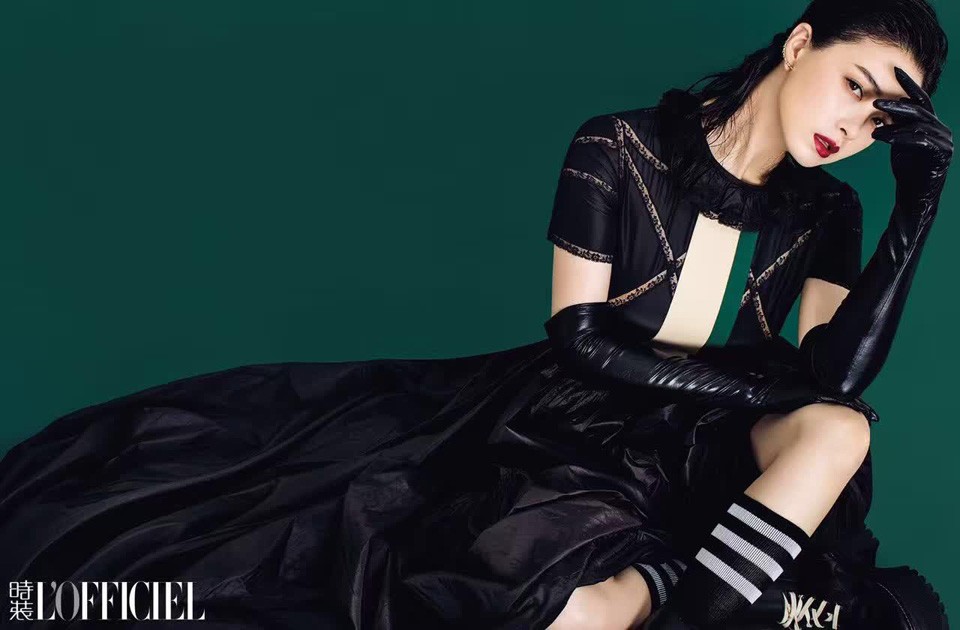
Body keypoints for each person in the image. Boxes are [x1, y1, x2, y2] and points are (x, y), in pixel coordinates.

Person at [0, 1, 951, 629]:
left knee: (839, 429)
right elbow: (579, 338)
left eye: (883, 120)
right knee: (562, 613)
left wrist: (917, 204)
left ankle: (704, 607)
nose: (853, 125)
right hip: (591, 424)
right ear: (799, 43)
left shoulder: (830, 210)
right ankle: (704, 593)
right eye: (854, 85)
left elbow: (834, 377)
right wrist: (745, 387)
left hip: (725, 448)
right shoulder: (618, 148)